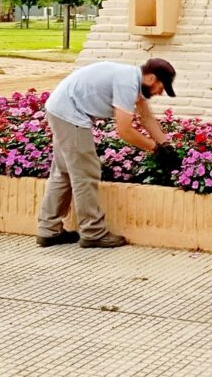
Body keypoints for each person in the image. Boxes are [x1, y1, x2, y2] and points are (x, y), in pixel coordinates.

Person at [36, 57, 176, 248]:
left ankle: (48, 230)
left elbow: (146, 117)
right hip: (70, 115)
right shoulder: (127, 83)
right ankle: (93, 232)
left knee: (64, 172)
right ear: (151, 78)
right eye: (161, 86)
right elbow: (125, 131)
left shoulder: (132, 79)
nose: (160, 92)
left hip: (61, 110)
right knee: (86, 173)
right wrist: (155, 149)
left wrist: (166, 145)